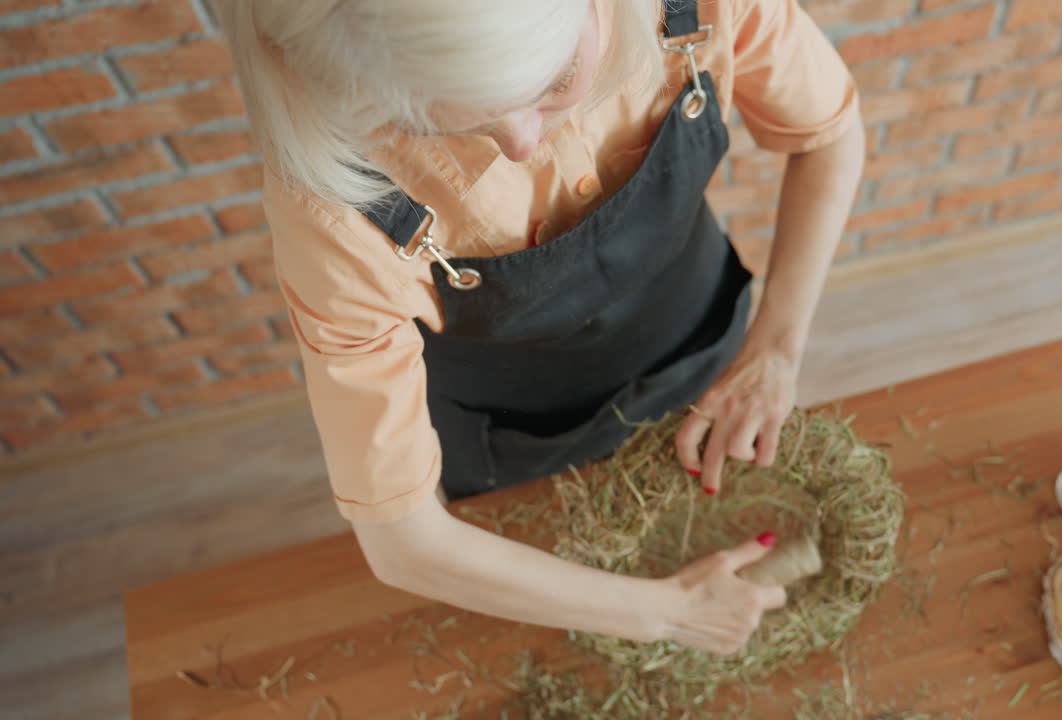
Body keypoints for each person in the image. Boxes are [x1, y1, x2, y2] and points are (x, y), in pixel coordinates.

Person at [218, 0, 864, 655]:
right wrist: (661, 615)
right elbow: (403, 541)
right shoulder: (334, 205)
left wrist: (775, 349)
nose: (523, 143)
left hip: (703, 346)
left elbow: (830, 134)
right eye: (452, 120)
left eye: (554, 82)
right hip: (516, 442)